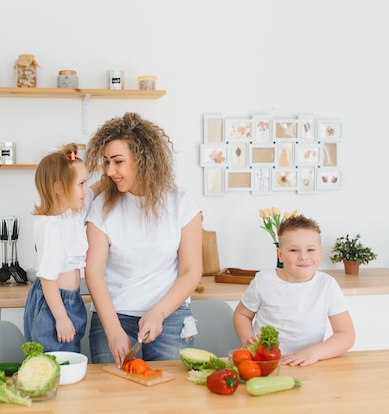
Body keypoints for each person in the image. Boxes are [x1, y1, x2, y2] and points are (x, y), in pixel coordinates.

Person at [84, 112, 203, 367]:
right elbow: (93, 273)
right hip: (113, 317)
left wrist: (158, 313)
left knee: (171, 401)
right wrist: (113, 331)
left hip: (170, 316)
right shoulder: (102, 206)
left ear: (143, 159)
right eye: (106, 162)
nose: (109, 171)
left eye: (118, 162)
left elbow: (192, 271)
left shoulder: (182, 203)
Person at [233, 214, 355, 367]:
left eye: (310, 249)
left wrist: (314, 353)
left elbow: (346, 334)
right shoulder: (263, 281)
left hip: (309, 364)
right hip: (267, 363)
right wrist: (248, 340)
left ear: (320, 253)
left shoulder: (327, 285)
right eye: (294, 250)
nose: (303, 257)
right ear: (280, 255)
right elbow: (241, 314)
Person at [23, 143, 102, 353]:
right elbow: (48, 278)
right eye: (81, 184)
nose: (85, 190)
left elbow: (94, 190)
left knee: (68, 357)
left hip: (70, 300)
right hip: (54, 303)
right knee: (56, 363)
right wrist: (61, 317)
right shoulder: (52, 227)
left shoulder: (73, 211)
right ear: (59, 188)